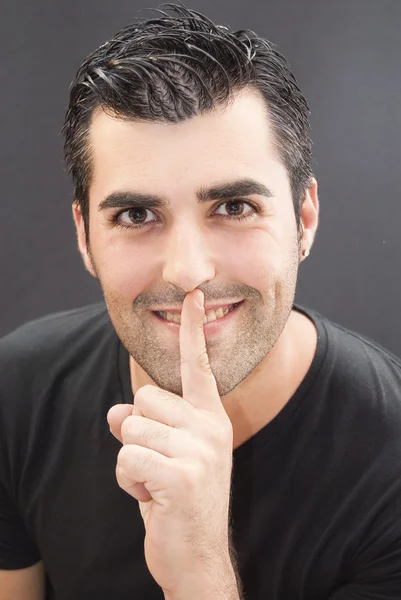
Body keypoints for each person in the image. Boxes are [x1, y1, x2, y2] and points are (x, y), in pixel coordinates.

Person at [1, 3, 400, 599]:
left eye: (235, 207)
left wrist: (198, 571)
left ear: (304, 218)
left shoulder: (391, 464)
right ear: (85, 236)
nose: (189, 271)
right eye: (136, 214)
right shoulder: (18, 389)